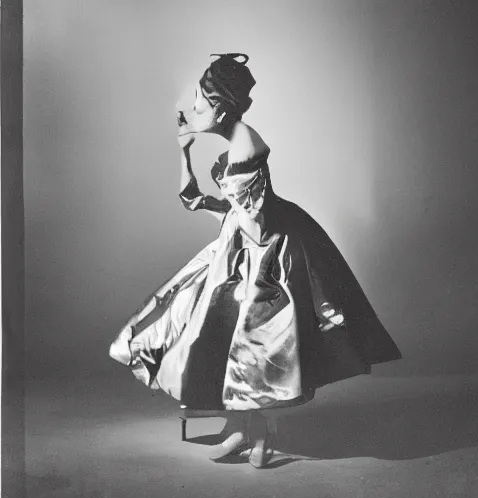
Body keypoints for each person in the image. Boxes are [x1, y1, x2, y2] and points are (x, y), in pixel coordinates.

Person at [109, 53, 402, 468]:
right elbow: (196, 202)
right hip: (249, 241)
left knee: (250, 340)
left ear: (222, 108)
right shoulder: (235, 141)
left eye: (198, 106)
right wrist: (185, 152)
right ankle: (241, 430)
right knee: (221, 335)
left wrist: (230, 225)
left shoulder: (246, 143)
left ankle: (258, 435)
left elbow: (258, 230)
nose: (191, 112)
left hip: (269, 252)